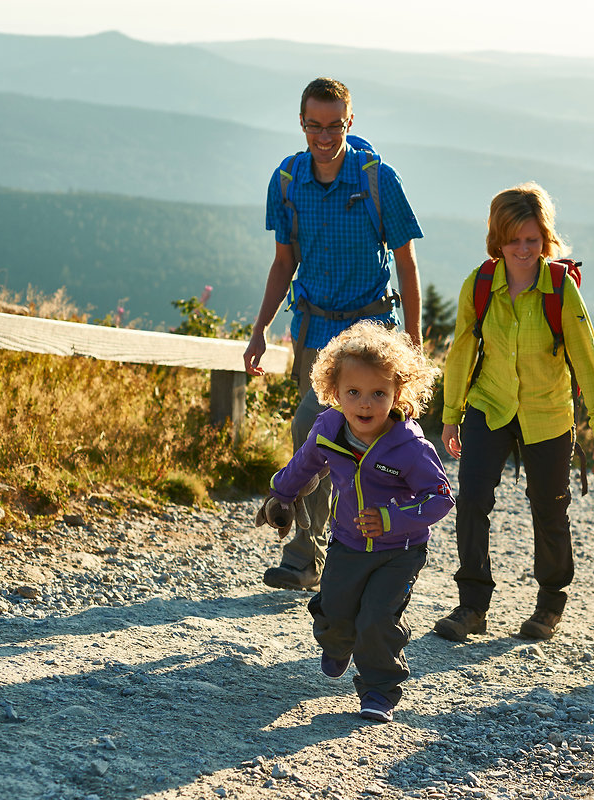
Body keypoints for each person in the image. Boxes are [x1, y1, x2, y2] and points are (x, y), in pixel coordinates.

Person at [244, 77, 425, 592]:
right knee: (319, 436)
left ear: (350, 122)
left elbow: (407, 262)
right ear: (302, 123)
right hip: (311, 331)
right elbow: (283, 263)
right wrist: (260, 331)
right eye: (314, 125)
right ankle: (311, 554)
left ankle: (346, 551)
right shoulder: (286, 180)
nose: (324, 136)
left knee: (341, 434)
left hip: (369, 332)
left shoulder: (376, 178)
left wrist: (411, 338)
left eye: (334, 125)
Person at [433, 182, 594, 643]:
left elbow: (586, 359)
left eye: (532, 240)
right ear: (498, 239)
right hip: (489, 403)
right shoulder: (479, 285)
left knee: (549, 509)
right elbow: (460, 353)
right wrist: (451, 414)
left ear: (545, 240)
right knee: (472, 501)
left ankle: (550, 604)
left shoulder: (560, 289)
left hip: (547, 412)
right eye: (513, 240)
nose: (522, 249)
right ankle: (472, 605)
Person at [257, 321, 453, 723]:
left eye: (379, 394)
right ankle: (337, 640)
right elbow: (304, 464)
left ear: (399, 393)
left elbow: (440, 498)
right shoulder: (329, 428)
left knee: (377, 619)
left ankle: (380, 690)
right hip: (346, 543)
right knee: (335, 612)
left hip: (398, 551)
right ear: (334, 393)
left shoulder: (411, 448)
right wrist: (281, 494)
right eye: (354, 393)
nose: (366, 404)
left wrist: (391, 519)